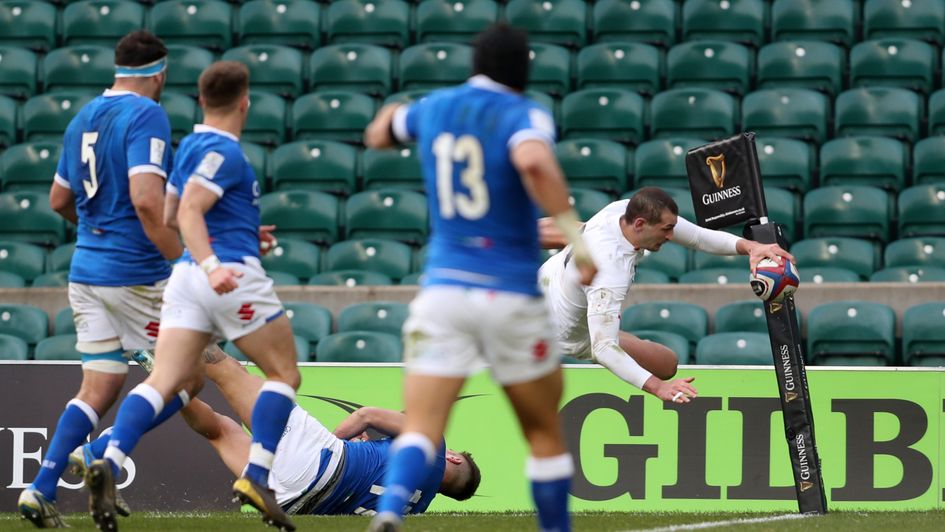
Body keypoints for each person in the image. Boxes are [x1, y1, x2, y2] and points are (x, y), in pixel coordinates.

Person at [362, 23, 597, 532]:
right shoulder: (524, 113)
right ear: (523, 69)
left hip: (444, 291)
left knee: (421, 427)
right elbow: (533, 160)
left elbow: (378, 135)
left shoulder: (435, 107)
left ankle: (390, 510)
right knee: (543, 433)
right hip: (509, 295)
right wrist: (577, 245)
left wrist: (396, 111)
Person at [85, 61, 301, 532]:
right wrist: (213, 263)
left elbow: (168, 213)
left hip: (185, 277)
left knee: (167, 380)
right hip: (225, 274)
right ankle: (258, 475)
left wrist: (242, 232)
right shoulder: (225, 151)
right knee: (284, 373)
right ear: (245, 103)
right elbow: (188, 212)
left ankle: (111, 457)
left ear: (201, 101)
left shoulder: (188, 149)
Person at [17, 30, 185, 529]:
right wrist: (183, 262)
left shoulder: (82, 117)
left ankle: (40, 489)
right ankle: (103, 453)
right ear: (159, 74)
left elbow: (58, 200)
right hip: (135, 273)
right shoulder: (147, 114)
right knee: (187, 376)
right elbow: (147, 201)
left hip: (85, 271)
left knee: (100, 384)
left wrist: (97, 232)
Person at [71, 350, 481, 516]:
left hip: (319, 461)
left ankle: (164, 340)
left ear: (454, 458)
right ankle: (157, 369)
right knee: (218, 431)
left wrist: (338, 442)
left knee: (227, 369)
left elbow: (367, 415)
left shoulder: (432, 441)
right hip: (290, 501)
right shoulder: (415, 509)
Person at [538, 187, 794, 401]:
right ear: (640, 224)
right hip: (559, 330)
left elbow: (696, 237)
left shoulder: (622, 210)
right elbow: (603, 348)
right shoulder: (609, 272)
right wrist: (658, 387)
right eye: (666, 230)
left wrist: (750, 247)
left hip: (547, 282)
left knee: (666, 363)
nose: (671, 236)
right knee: (646, 362)